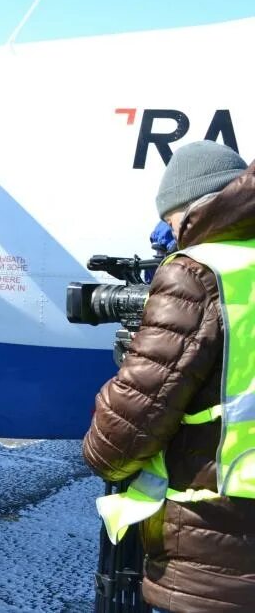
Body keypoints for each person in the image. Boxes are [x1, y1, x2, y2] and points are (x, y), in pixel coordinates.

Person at [83, 140, 255, 613]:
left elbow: (124, 431)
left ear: (192, 209)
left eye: (173, 221)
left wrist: (101, 453)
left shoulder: (202, 272)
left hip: (221, 548)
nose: (172, 233)